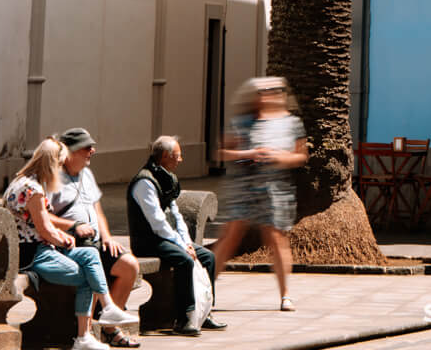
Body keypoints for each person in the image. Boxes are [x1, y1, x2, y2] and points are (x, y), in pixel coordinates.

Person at [4, 137, 139, 344]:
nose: (60, 169)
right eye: (59, 164)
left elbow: (43, 227)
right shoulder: (33, 190)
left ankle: (109, 307)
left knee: (91, 254)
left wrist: (62, 236)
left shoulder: (21, 182)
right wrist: (65, 239)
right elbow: (45, 229)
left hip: (38, 248)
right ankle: (83, 337)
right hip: (34, 255)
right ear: (52, 162)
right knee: (86, 276)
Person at [211, 77, 307, 312]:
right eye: (262, 91)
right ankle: (204, 286)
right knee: (230, 238)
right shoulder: (242, 122)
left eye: (273, 90)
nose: (267, 95)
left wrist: (277, 158)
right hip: (245, 187)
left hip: (276, 189)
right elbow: (220, 153)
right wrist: (250, 153)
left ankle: (285, 295)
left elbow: (301, 156)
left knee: (277, 240)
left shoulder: (291, 123)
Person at [50, 126, 141, 348]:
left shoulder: (87, 175)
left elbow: (96, 209)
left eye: (92, 146)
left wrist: (108, 237)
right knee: (91, 270)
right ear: (69, 152)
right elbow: (42, 216)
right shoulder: (52, 178)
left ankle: (109, 327)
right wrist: (73, 227)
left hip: (95, 242)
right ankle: (87, 333)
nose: (92, 151)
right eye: (86, 147)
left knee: (129, 265)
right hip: (70, 244)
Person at [127, 135, 227, 335]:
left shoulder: (166, 178)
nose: (180, 160)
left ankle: (205, 312)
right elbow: (157, 222)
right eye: (178, 156)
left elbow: (176, 214)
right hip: (148, 241)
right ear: (165, 156)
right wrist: (182, 247)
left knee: (207, 256)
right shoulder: (144, 182)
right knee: (184, 260)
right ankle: (185, 318)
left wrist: (187, 242)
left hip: (168, 238)